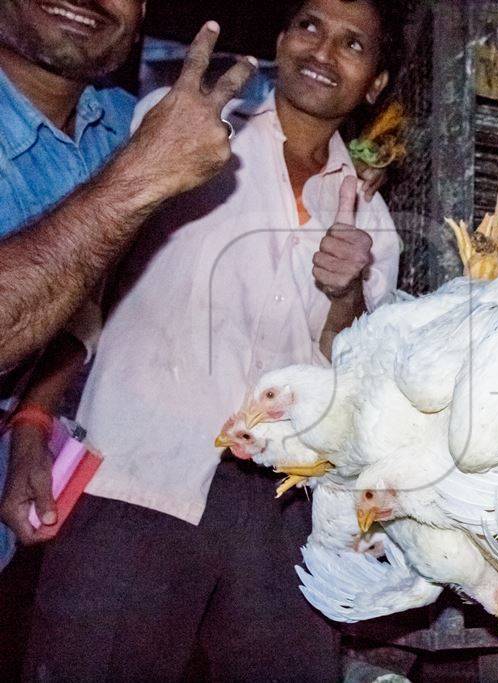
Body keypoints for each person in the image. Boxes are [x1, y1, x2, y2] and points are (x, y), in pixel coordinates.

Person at [19, 0, 406, 679]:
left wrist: (347, 292)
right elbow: (89, 294)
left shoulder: (375, 223)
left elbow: (345, 379)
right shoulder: (179, 131)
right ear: (282, 38)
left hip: (285, 512)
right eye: (309, 26)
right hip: (139, 475)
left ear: (374, 83)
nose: (322, 51)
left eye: (353, 44)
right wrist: (32, 420)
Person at [0, 0, 256, 568]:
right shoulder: (143, 148)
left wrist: (33, 421)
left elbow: (92, 301)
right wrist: (140, 174)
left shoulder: (125, 121)